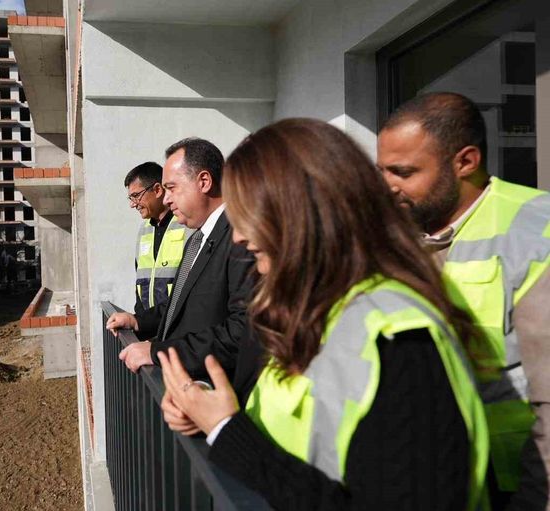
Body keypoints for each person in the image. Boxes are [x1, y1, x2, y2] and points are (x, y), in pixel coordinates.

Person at [159, 119, 488, 510]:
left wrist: (227, 432)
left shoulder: (402, 342)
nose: (239, 237)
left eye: (249, 215)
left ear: (302, 212)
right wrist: (209, 413)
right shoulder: (303, 310)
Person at [377, 92, 550, 509]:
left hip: (512, 483)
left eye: (403, 172)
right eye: (381, 171)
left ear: (466, 162)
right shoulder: (395, 234)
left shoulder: (535, 232)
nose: (388, 186)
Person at [105, 138, 254, 378]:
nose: (166, 199)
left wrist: (159, 353)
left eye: (172, 188)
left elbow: (242, 333)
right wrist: (138, 322)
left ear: (204, 182)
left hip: (214, 391)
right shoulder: (198, 239)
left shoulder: (241, 238)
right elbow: (179, 305)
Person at [124, 162, 190, 316]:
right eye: (130, 198)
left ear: (157, 190)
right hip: (150, 325)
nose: (133, 204)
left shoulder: (186, 225)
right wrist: (140, 321)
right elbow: (140, 282)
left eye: (136, 196)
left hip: (178, 323)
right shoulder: (144, 230)